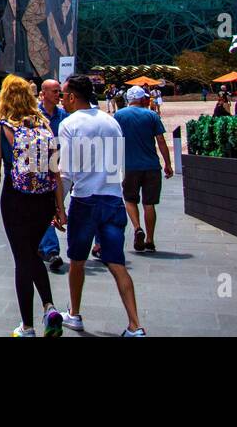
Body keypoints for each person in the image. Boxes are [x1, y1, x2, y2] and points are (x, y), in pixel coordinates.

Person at [56, 74, 146, 336]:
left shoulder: (69, 123)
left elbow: (66, 171)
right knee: (117, 262)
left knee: (77, 261)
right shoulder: (111, 122)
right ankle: (134, 325)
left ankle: (74, 314)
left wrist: (58, 208)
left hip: (84, 200)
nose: (62, 100)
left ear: (72, 96)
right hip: (113, 199)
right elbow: (119, 167)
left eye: (63, 95)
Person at [0, 75, 63, 337]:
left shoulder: (0, 130)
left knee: (23, 259)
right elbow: (56, 172)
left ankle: (27, 326)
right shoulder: (45, 126)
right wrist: (60, 208)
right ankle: (49, 307)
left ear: (4, 97)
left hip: (15, 199)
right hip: (44, 200)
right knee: (31, 253)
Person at [113, 86, 173, 254]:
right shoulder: (152, 115)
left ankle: (137, 227)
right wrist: (168, 164)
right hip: (151, 165)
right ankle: (150, 240)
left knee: (130, 200)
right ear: (141, 99)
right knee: (149, 203)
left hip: (129, 166)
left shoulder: (119, 115)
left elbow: (113, 140)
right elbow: (160, 140)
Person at [37, 79, 68, 274]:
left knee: (51, 209)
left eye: (59, 91)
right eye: (55, 91)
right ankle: (51, 249)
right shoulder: (35, 117)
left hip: (60, 169)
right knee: (47, 209)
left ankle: (44, 246)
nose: (58, 95)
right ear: (44, 93)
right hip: (40, 169)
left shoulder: (64, 116)